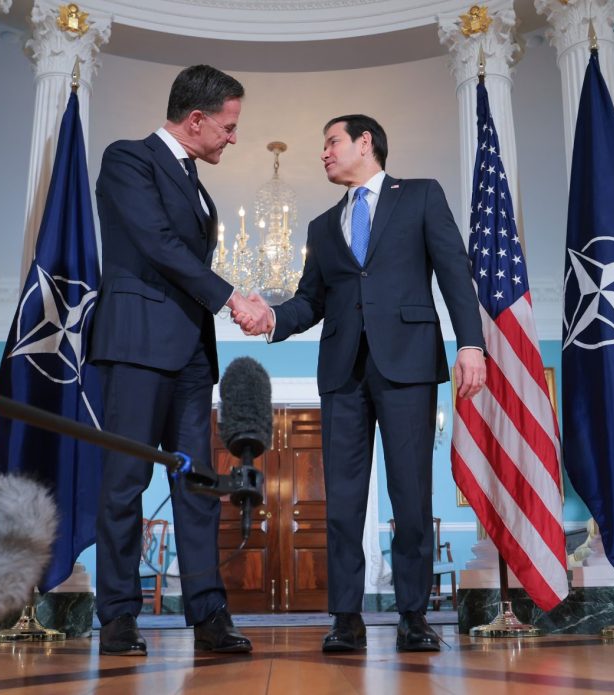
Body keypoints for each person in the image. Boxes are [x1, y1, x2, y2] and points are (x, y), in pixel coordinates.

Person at [236, 115, 487, 652]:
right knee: (343, 499)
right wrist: (273, 318)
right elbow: (311, 301)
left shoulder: (420, 195)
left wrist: (470, 344)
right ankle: (345, 616)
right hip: (343, 372)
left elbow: (453, 271)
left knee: (411, 495)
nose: (324, 154)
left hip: (408, 364)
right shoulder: (323, 227)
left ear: (364, 143)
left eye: (331, 142)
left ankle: (413, 616)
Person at [89, 64, 266, 656]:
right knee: (124, 482)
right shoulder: (128, 159)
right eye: (229, 125)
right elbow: (157, 244)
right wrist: (230, 297)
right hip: (137, 346)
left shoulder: (199, 184)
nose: (232, 137)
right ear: (196, 120)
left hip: (191, 355)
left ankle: (208, 614)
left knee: (196, 486)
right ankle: (117, 615)